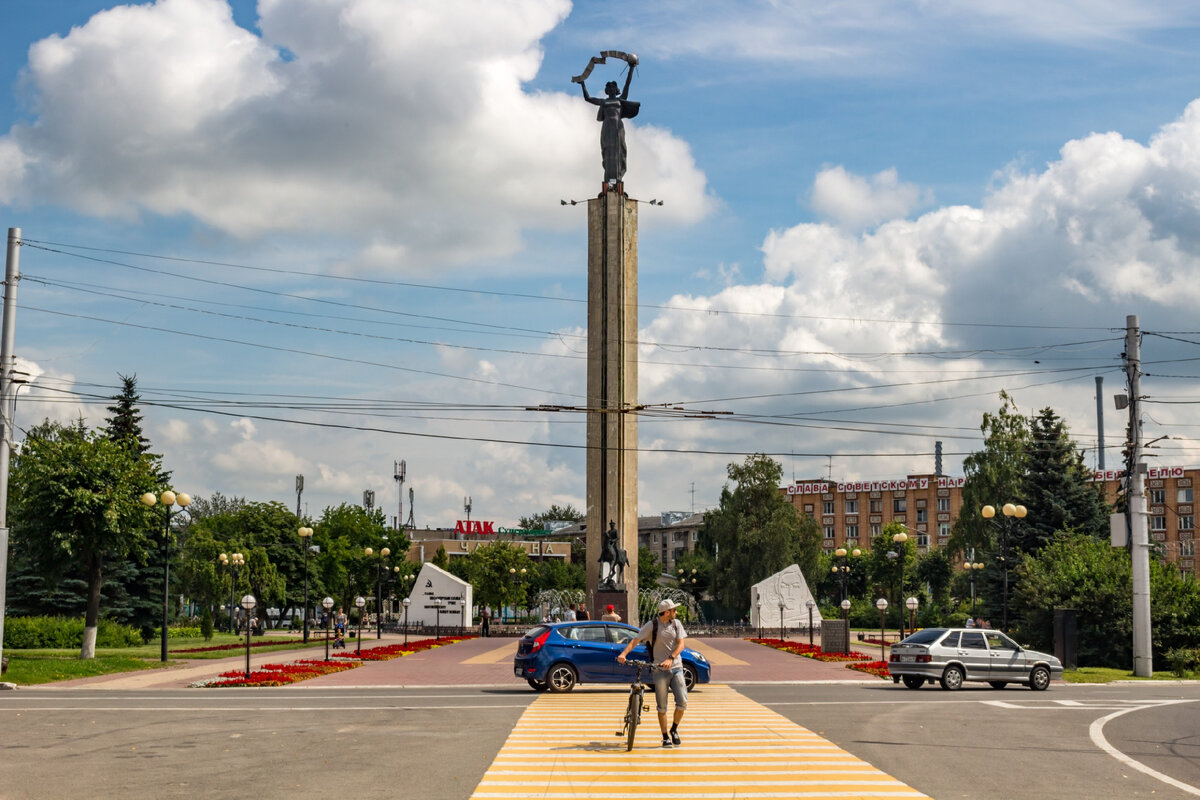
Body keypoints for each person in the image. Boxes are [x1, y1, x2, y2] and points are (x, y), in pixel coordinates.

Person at [617, 599, 688, 748]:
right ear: (667, 612)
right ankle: (665, 737)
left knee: (682, 702)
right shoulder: (652, 626)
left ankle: (674, 729)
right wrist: (623, 654)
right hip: (659, 670)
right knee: (662, 706)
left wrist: (671, 658)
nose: (676, 612)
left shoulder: (676, 624)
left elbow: (681, 644)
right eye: (674, 610)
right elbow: (635, 641)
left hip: (676, 667)